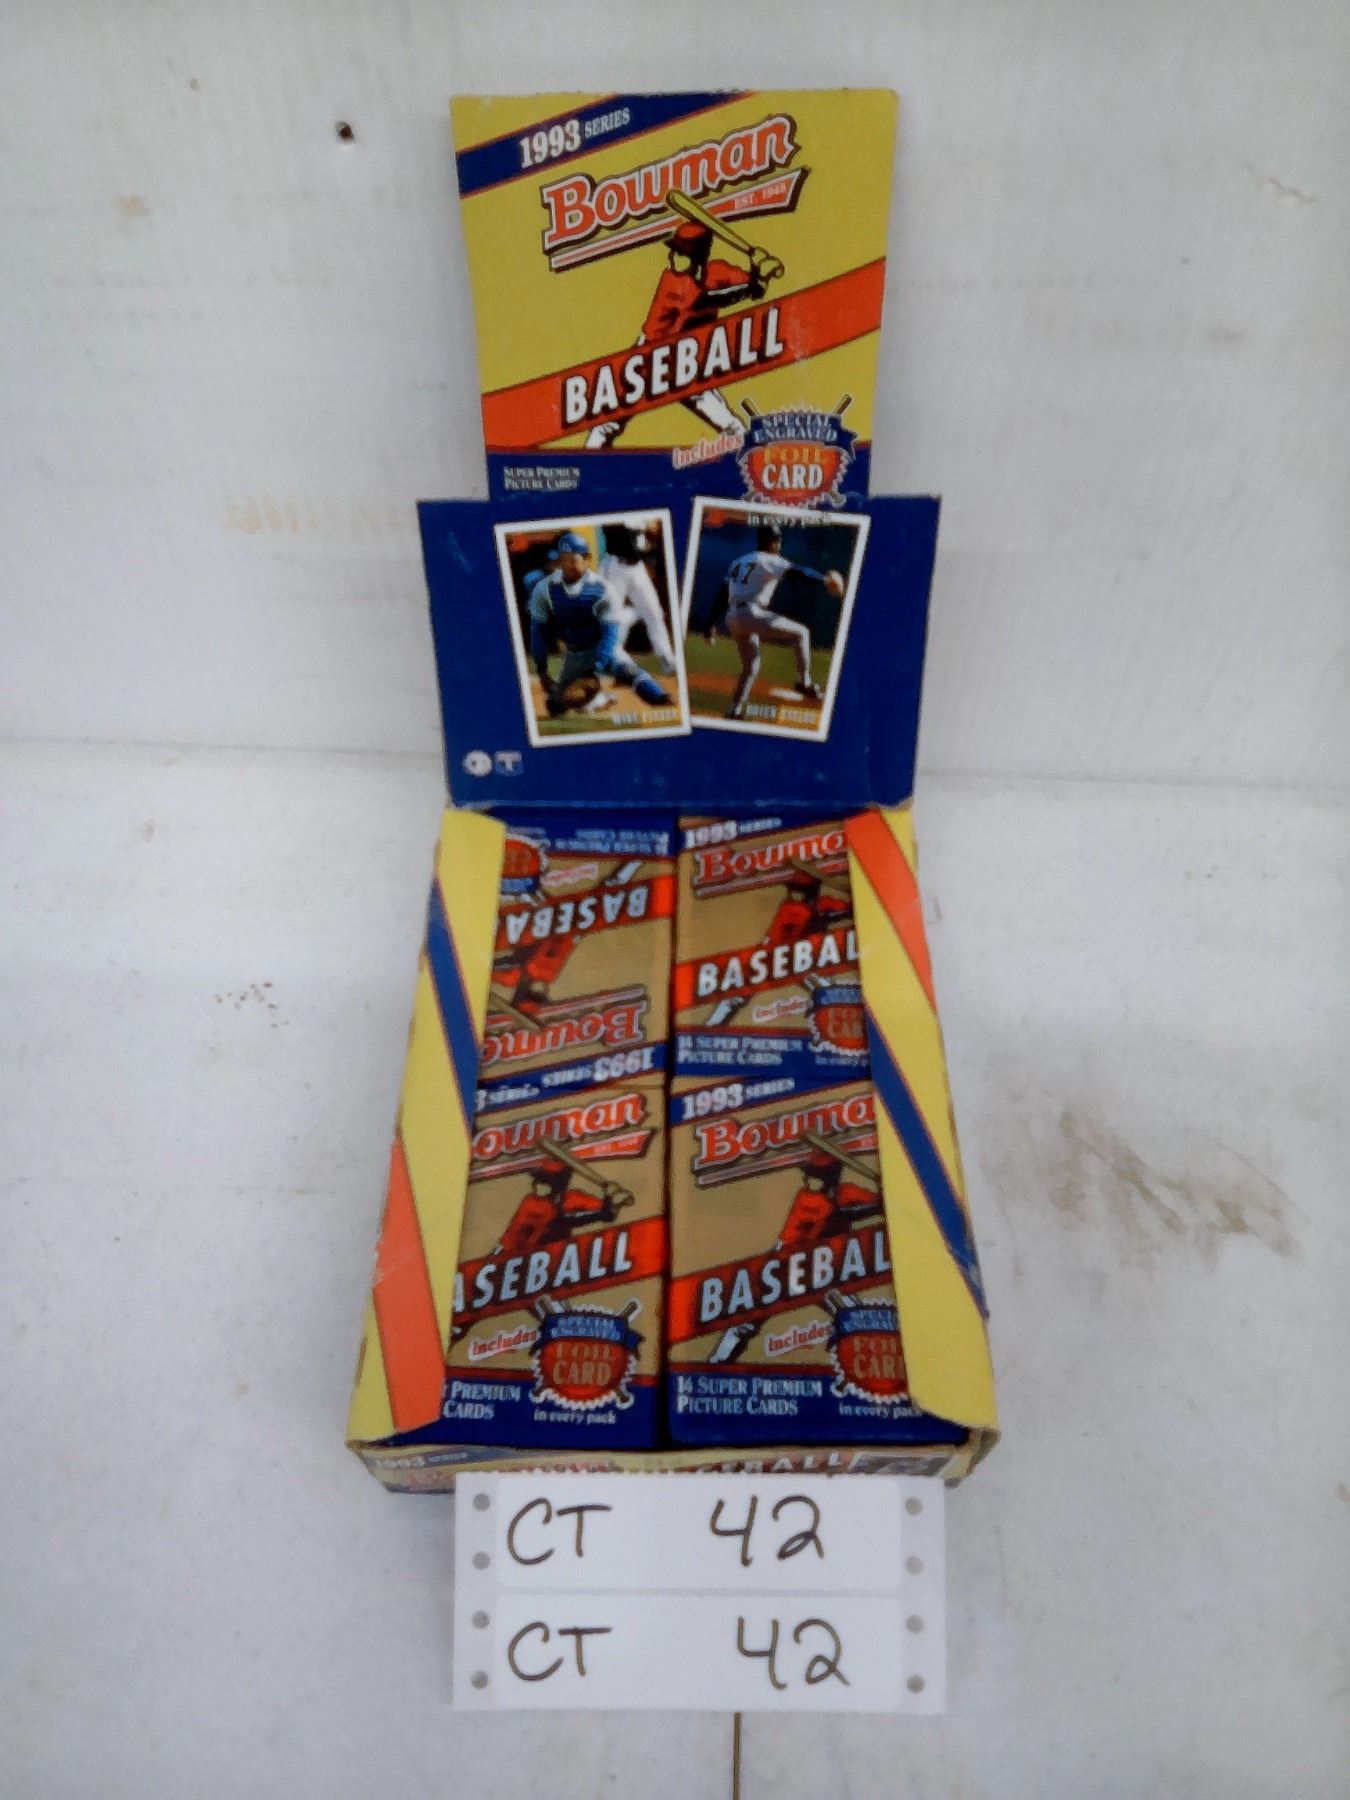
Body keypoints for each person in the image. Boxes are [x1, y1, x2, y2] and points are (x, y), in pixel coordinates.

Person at [585, 221, 781, 448]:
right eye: (674, 250)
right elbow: (713, 298)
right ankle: (589, 459)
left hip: (687, 364)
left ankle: (743, 462)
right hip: (649, 361)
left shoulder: (717, 272)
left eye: (681, 253)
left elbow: (752, 290)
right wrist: (756, 282)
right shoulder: (673, 282)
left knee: (732, 427)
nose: (672, 257)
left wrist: (759, 271)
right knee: (608, 423)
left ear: (697, 257)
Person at [528, 531, 669, 718]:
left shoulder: (602, 589)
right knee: (555, 705)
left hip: (602, 646)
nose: (567, 564)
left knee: (626, 671)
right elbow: (538, 630)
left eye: (573, 558)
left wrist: (597, 666)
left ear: (587, 559)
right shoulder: (544, 589)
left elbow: (610, 634)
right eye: (564, 559)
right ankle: (596, 699)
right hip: (576, 654)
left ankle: (659, 696)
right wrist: (542, 669)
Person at [712, 524, 835, 718]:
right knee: (801, 633)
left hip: (732, 616)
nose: (779, 544)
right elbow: (798, 572)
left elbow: (722, 593)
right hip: (752, 613)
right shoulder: (770, 559)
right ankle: (805, 683)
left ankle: (733, 710)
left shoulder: (739, 561)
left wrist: (710, 623)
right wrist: (823, 579)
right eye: (778, 540)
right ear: (771, 541)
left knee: (751, 666)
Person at [598, 524, 677, 676]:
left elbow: (651, 531)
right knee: (610, 618)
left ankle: (667, 660)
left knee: (654, 613)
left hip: (637, 568)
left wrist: (649, 531)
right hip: (614, 566)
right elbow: (621, 535)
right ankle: (612, 662)